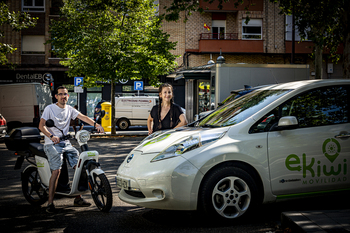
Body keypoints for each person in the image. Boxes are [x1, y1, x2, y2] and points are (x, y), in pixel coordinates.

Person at [39, 86, 104, 213]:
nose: (64, 96)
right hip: (52, 143)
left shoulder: (69, 109)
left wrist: (97, 125)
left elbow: (83, 117)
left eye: (66, 94)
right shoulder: (50, 108)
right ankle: (50, 202)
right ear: (56, 96)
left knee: (80, 167)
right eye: (61, 94)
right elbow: (41, 126)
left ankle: (78, 197)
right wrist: (51, 136)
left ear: (68, 96)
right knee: (56, 171)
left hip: (66, 143)